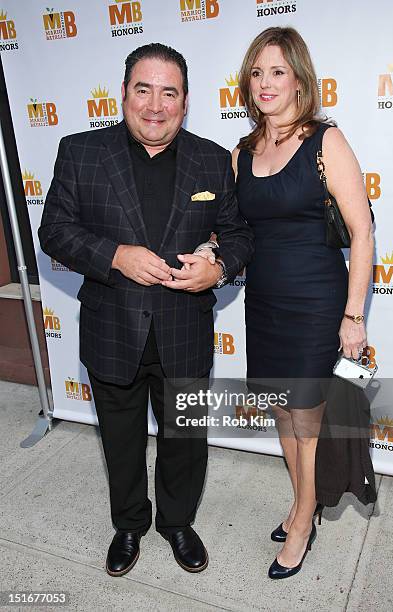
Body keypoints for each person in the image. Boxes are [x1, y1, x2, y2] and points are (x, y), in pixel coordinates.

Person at [38, 43, 253, 577]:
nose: (155, 105)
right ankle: (129, 525)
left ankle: (177, 523)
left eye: (169, 92)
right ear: (124, 93)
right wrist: (115, 256)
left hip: (185, 330)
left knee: (185, 440)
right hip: (113, 329)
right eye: (144, 89)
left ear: (185, 102)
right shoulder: (81, 151)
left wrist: (219, 267)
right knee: (121, 440)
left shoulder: (210, 158)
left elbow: (239, 234)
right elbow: (55, 231)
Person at [233, 27, 374, 579]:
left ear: (299, 79)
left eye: (277, 71)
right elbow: (236, 233)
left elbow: (362, 232)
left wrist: (354, 315)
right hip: (263, 303)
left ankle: (299, 520)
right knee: (282, 412)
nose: (265, 83)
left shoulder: (325, 141)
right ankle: (303, 503)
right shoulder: (242, 152)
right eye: (256, 72)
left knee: (308, 419)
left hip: (317, 301)